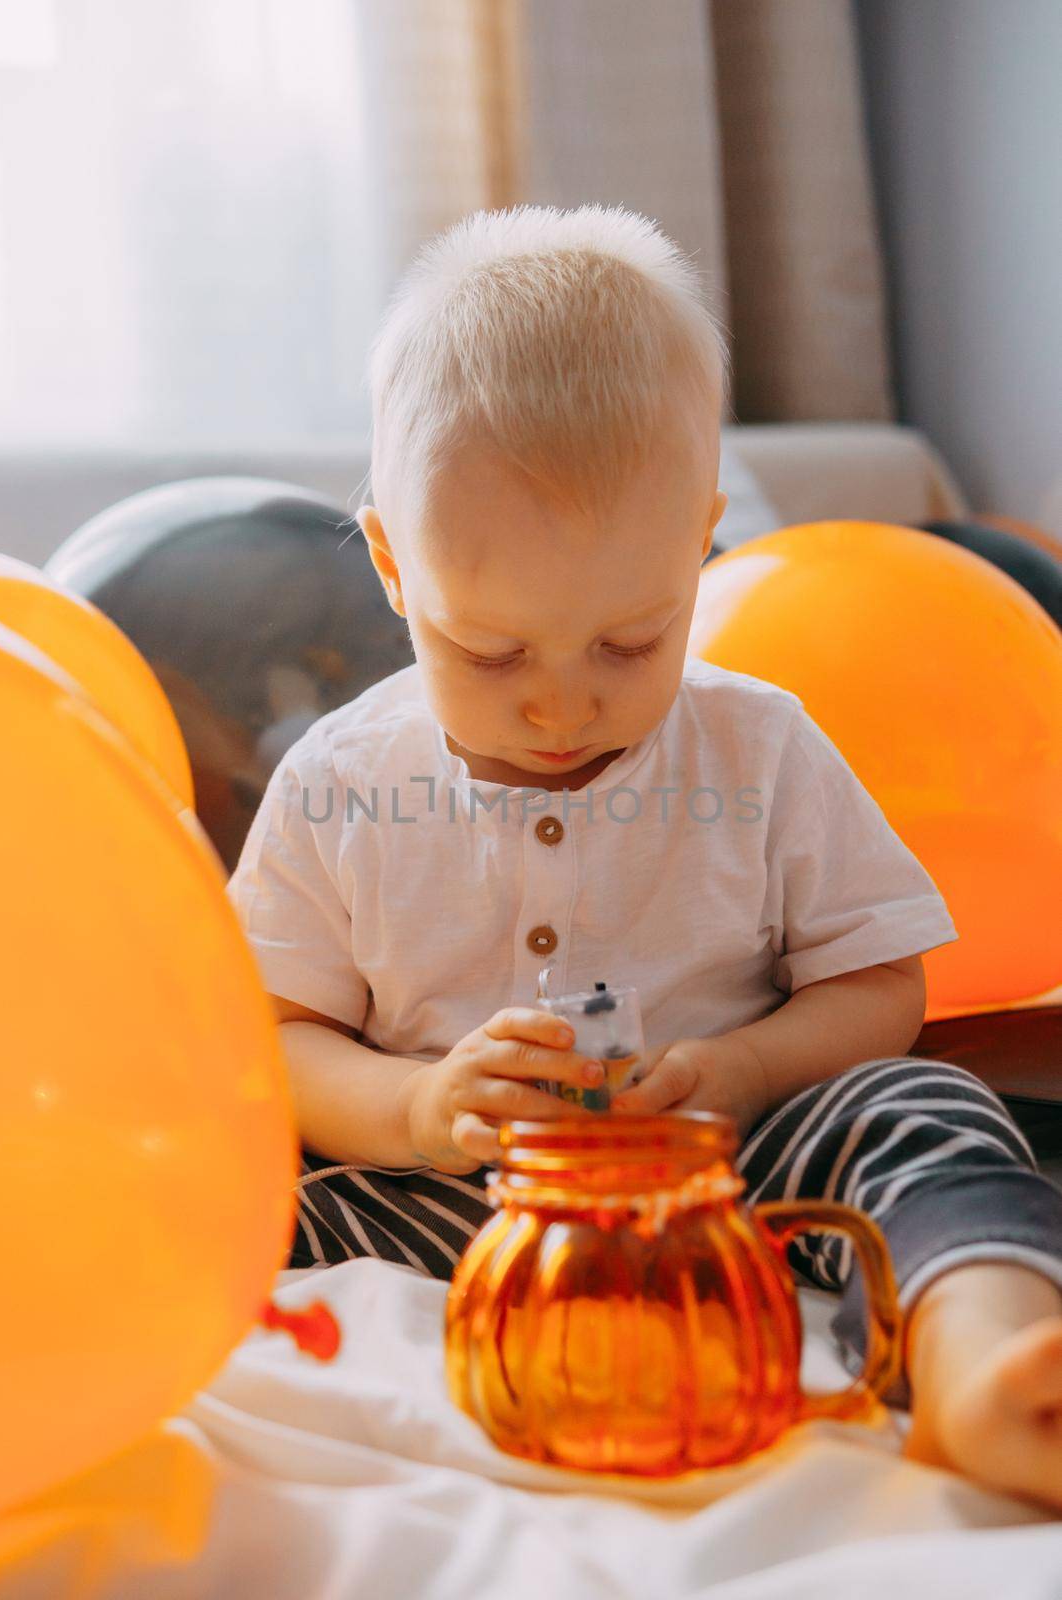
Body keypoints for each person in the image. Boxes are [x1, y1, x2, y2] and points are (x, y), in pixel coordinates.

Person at [226, 203, 1062, 1510]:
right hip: (457, 1197)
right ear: (393, 566)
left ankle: (986, 1359)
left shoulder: (764, 749)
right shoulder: (339, 782)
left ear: (698, 548)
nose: (563, 705)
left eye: (629, 643)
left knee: (923, 1114)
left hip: (737, 1180)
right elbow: (271, 1039)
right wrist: (415, 1106)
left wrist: (745, 1070)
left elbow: (882, 991)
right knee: (241, 1197)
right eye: (490, 653)